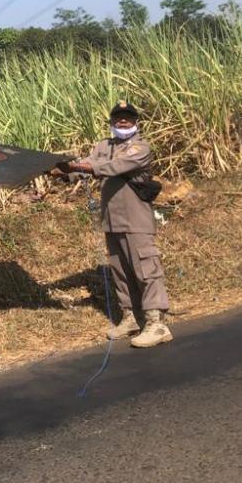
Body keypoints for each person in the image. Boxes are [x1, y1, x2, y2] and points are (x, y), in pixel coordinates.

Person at [58, 101, 172, 348]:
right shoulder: (103, 145)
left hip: (135, 219)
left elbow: (111, 167)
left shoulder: (140, 147)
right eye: (118, 118)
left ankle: (157, 324)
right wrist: (61, 171)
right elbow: (86, 165)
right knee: (120, 271)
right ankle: (130, 317)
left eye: (128, 118)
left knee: (146, 269)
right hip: (112, 220)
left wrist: (77, 166)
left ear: (136, 122)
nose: (123, 121)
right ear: (111, 122)